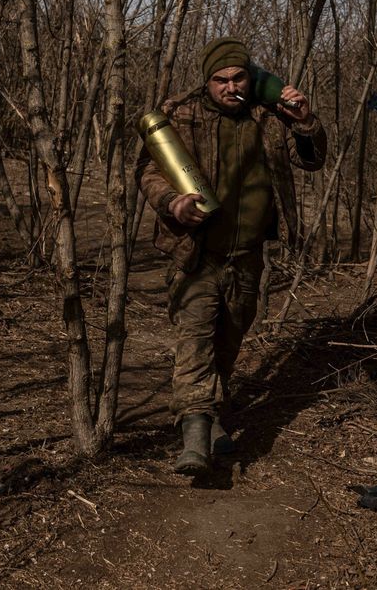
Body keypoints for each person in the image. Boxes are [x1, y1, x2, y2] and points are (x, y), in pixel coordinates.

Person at [135, 37, 327, 475]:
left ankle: (211, 416)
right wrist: (171, 203)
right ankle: (195, 437)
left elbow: (312, 160)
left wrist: (307, 121)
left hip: (248, 254)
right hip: (197, 250)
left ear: (250, 76)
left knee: (229, 339)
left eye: (237, 77)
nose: (229, 87)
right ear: (207, 82)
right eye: (219, 80)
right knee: (195, 339)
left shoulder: (270, 114)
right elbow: (148, 168)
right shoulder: (181, 112)